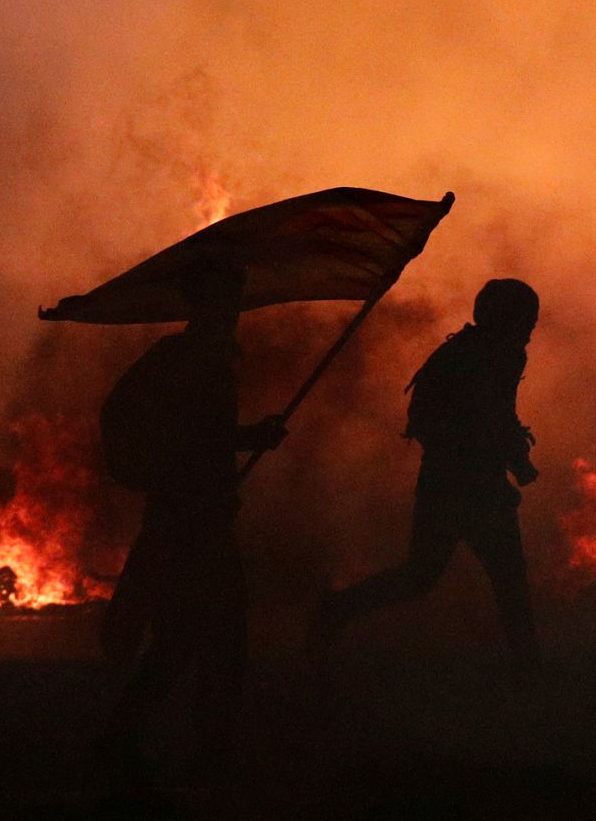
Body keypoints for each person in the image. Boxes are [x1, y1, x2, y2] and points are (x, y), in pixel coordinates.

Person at [98, 258, 286, 776]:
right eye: (227, 296)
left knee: (192, 640)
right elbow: (193, 439)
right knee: (208, 639)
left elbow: (197, 437)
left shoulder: (197, 359)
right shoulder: (188, 361)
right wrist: (250, 439)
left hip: (197, 517)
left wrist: (247, 439)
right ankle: (187, 748)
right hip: (188, 522)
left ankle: (155, 741)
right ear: (206, 303)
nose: (235, 308)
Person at [309, 278, 541, 667]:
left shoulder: (501, 355)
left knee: (427, 576)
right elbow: (445, 420)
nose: (530, 332)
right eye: (525, 321)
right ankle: (530, 672)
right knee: (498, 581)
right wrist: (497, 455)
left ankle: (336, 610)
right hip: (461, 486)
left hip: (459, 484)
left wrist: (509, 453)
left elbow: (499, 415)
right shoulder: (472, 357)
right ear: (505, 319)